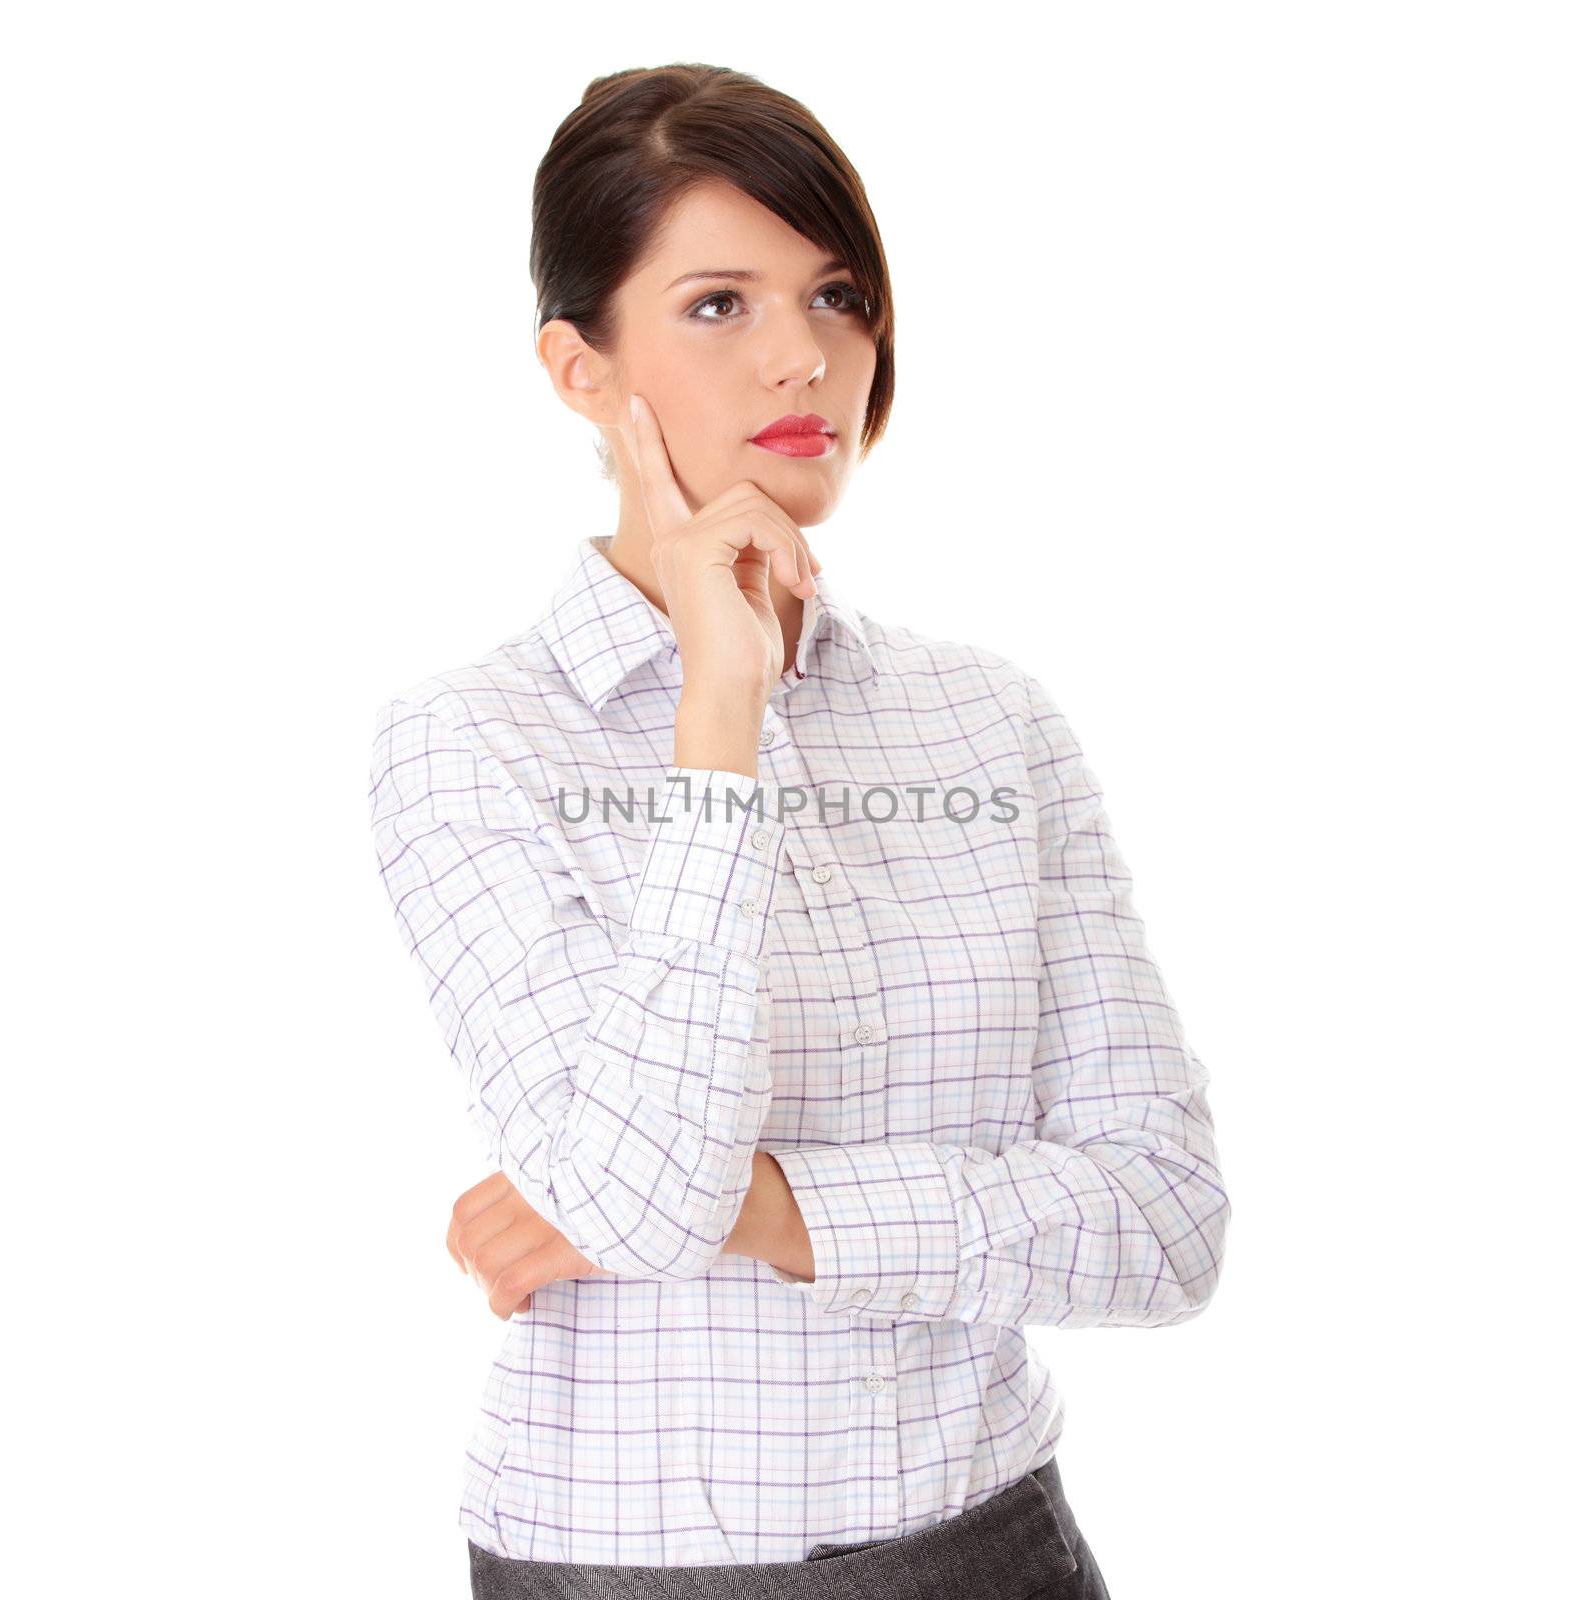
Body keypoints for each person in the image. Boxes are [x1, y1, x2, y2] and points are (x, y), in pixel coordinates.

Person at [367, 62, 1230, 1600]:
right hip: (627, 1569)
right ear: (578, 366)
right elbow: (635, 1202)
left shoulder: (991, 724)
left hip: (997, 1542)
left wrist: (763, 1207)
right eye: (719, 305)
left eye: (836, 297)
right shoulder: (471, 739)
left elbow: (1163, 1220)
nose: (804, 361)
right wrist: (720, 719)